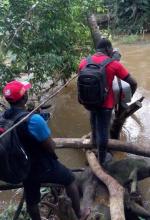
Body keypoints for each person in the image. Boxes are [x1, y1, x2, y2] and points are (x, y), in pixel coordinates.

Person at [2, 80, 89, 220]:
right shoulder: (34, 120)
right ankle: (80, 213)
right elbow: (51, 146)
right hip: (41, 166)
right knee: (70, 179)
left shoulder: (3, 118)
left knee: (32, 201)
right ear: (24, 98)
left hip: (22, 168)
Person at [78, 38, 137, 165]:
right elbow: (133, 82)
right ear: (107, 49)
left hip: (88, 102)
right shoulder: (113, 64)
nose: (112, 51)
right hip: (105, 104)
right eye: (111, 49)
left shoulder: (83, 62)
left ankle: (93, 146)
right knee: (104, 132)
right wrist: (129, 96)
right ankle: (102, 160)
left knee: (94, 124)